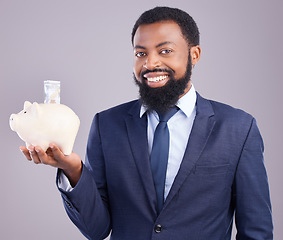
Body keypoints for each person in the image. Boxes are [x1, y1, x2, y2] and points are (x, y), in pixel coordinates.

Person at [20, 6, 273, 240]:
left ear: (194, 55)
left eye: (165, 51)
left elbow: (256, 232)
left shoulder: (238, 129)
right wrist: (74, 171)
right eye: (141, 53)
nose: (150, 64)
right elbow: (96, 229)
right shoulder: (107, 125)